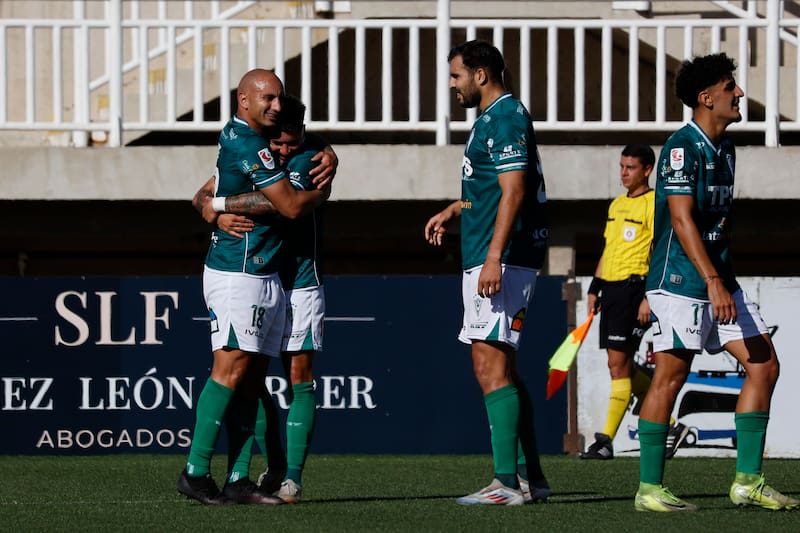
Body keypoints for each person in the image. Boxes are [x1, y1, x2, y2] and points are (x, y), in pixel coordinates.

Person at [634, 53, 799, 512]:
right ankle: (649, 489)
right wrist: (712, 280)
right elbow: (682, 220)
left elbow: (714, 224)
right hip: (681, 281)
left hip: (718, 279)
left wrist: (721, 277)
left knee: (764, 364)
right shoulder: (682, 147)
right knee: (670, 376)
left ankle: (747, 481)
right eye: (731, 86)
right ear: (706, 98)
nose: (740, 93)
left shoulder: (724, 148)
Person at [177, 69, 330, 506]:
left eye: (280, 98)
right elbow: (289, 204)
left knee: (252, 378)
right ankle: (195, 471)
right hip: (237, 270)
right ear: (244, 100)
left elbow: (212, 190)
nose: (276, 106)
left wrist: (213, 203)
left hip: (271, 275)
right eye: (267, 98)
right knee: (230, 369)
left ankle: (242, 478)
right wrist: (215, 207)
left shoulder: (260, 140)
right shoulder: (249, 143)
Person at [424, 40, 550, 506]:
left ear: (481, 75)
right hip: (492, 252)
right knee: (505, 371)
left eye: (456, 76)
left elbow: (514, 189)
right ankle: (531, 479)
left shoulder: (505, 117)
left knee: (489, 365)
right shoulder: (492, 119)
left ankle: (505, 484)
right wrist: (458, 207)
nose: (452, 86)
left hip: (502, 258)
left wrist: (495, 255)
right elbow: (495, 186)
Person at [580, 145, 689, 461]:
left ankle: (605, 441)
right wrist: (594, 287)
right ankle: (670, 425)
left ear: (647, 170)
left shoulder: (654, 205)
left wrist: (647, 297)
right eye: (621, 166)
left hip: (634, 290)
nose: (623, 173)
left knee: (618, 365)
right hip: (611, 292)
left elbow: (659, 252)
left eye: (630, 167)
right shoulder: (615, 205)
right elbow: (608, 249)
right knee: (619, 364)